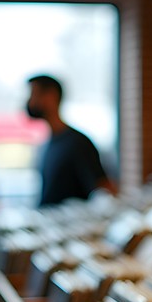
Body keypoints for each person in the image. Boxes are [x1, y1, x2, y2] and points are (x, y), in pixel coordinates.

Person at [25, 74, 117, 206]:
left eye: (34, 94)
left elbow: (104, 188)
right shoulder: (47, 144)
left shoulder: (78, 143)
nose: (30, 101)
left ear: (51, 96)